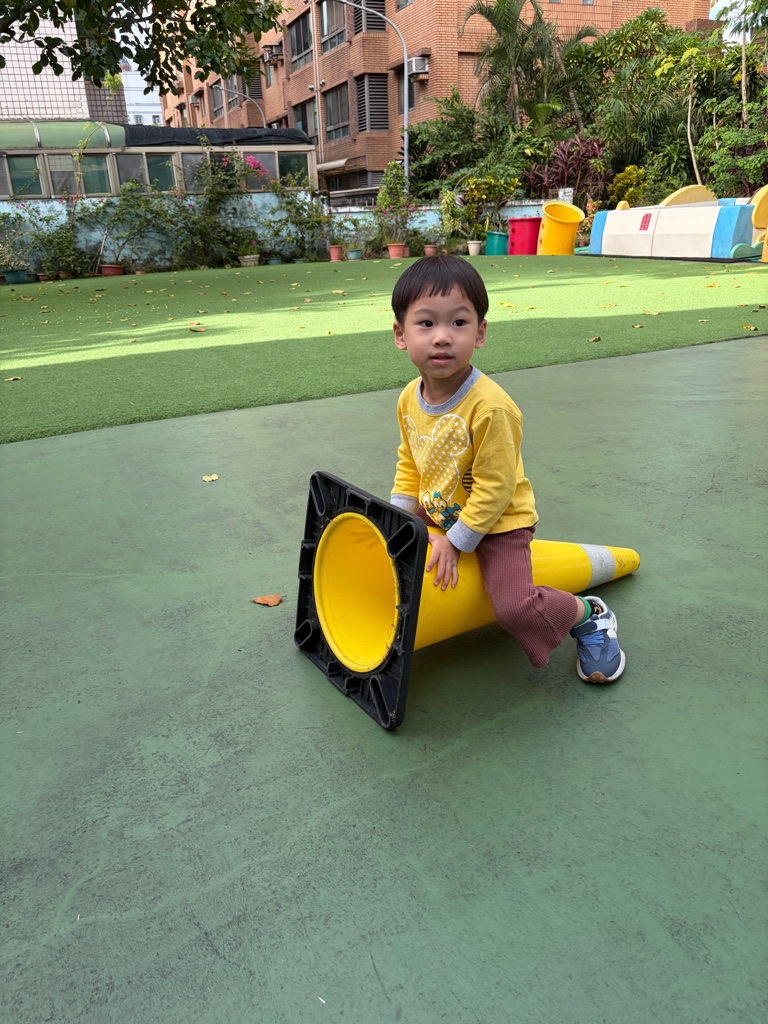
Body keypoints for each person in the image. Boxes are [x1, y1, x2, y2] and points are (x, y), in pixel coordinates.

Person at [389, 255, 625, 683]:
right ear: (400, 335)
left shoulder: (491, 407)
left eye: (458, 322)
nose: (442, 336)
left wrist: (456, 543)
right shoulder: (409, 397)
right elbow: (411, 458)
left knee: (514, 607)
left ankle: (589, 615)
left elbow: (495, 490)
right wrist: (399, 514)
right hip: (443, 508)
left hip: (498, 522)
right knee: (389, 551)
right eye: (425, 323)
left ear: (479, 333)